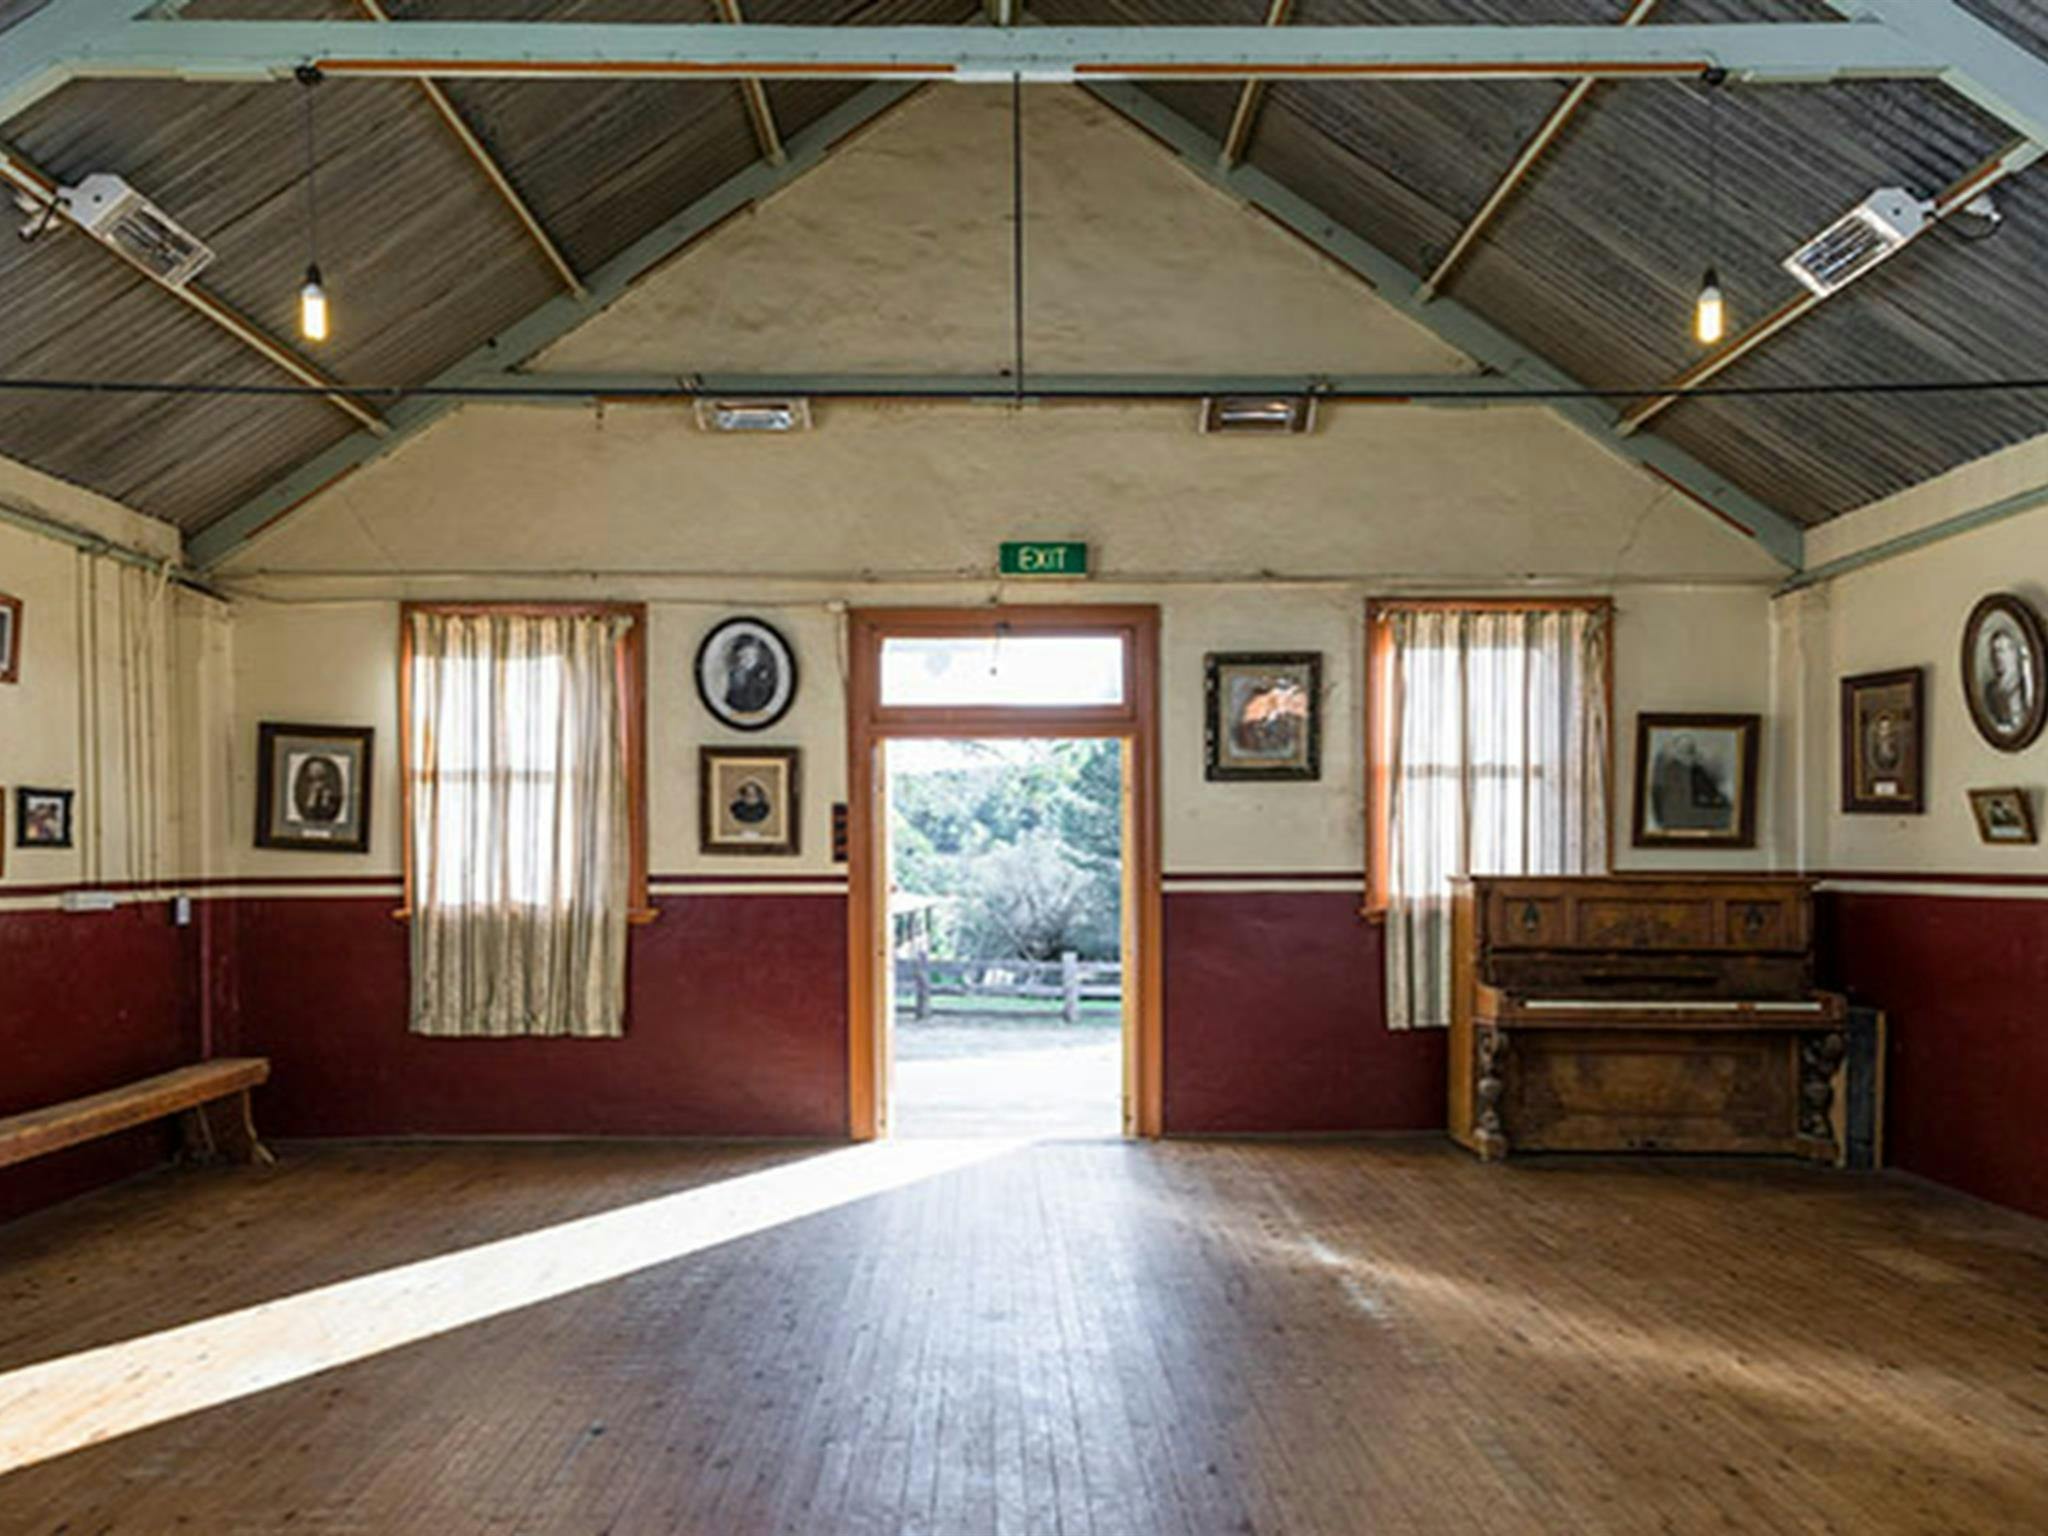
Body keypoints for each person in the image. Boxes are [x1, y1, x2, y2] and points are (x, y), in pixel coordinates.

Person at [1650, 735, 1729, 831]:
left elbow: (1656, 794)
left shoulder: (1678, 768)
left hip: (1669, 817)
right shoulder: (1689, 769)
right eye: (1687, 751)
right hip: (1683, 816)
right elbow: (1710, 794)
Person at [1982, 629, 2030, 737]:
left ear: (2013, 653)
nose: (1997, 656)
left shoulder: (2027, 684)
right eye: (1994, 652)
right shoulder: (1990, 690)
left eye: (2001, 651)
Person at [723, 635, 778, 716]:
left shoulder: (765, 673)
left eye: (750, 656)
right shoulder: (730, 675)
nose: (745, 659)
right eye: (743, 655)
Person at [291, 755, 345, 824]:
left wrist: (325, 797)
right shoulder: (306, 789)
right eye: (312, 770)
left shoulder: (328, 789)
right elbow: (307, 807)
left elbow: (330, 809)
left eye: (318, 771)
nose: (315, 772)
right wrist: (312, 795)